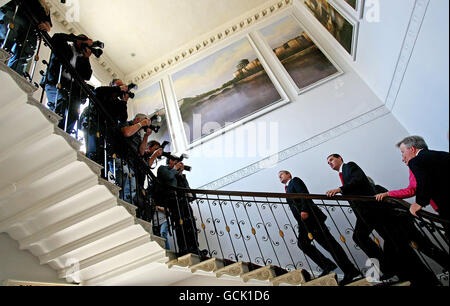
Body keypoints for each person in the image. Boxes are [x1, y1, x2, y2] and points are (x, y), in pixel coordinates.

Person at [326, 154, 440, 286]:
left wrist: (340, 189)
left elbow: (358, 180)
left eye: (331, 160)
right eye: (328, 162)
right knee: (375, 242)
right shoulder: (344, 177)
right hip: (367, 214)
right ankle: (397, 271)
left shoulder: (349, 166)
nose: (330, 163)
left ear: (340, 158)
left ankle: (418, 278)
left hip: (379, 214)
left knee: (401, 249)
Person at [279, 170, 360, 285]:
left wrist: (304, 209)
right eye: (279, 176)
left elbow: (304, 194)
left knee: (330, 245)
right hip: (303, 224)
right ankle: (327, 264)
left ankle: (350, 271)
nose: (280, 177)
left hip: (312, 219)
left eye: (281, 174)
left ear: (288, 175)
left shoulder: (295, 181)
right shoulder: (287, 189)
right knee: (302, 244)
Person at [396, 136, 449, 239]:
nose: (403, 157)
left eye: (402, 152)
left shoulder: (415, 161)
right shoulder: (442, 154)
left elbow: (424, 182)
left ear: (412, 149)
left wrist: (419, 203)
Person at [43, 32, 94, 134]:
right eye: (82, 41)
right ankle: (53, 130)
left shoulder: (81, 59)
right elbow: (56, 37)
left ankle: (64, 134)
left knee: (74, 112)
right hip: (55, 83)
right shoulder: (66, 47)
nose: (84, 44)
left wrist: (86, 58)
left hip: (69, 89)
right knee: (62, 102)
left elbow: (87, 76)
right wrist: (76, 38)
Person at [0, 0, 52, 75]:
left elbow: (48, 26)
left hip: (30, 30)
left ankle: (15, 73)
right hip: (15, 17)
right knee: (7, 40)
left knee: (24, 53)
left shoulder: (45, 7)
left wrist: (45, 26)